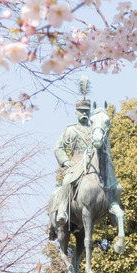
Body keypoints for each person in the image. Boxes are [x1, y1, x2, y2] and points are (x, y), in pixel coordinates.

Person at [50, 98, 92, 230]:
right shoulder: (71, 130)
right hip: (75, 164)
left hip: (92, 165)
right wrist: (65, 161)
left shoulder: (94, 130)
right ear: (76, 113)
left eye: (86, 111)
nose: (84, 114)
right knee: (67, 181)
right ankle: (62, 211)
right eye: (81, 111)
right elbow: (58, 147)